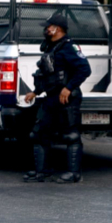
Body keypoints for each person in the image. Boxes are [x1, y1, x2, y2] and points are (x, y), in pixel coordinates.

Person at [21, 12, 93, 184]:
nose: (45, 30)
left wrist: (68, 88)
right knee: (38, 133)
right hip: (51, 98)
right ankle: (42, 171)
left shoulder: (69, 47)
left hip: (67, 98)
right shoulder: (50, 48)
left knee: (71, 135)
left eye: (48, 27)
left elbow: (84, 69)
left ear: (57, 29)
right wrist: (35, 92)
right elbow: (46, 74)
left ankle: (74, 173)